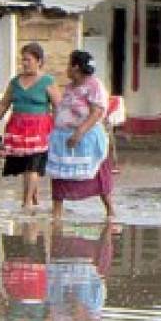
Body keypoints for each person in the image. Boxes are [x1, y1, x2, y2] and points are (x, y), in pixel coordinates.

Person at [0, 43, 61, 209]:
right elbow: (4, 104)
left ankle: (26, 202)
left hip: (39, 129)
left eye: (28, 60)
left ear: (39, 61)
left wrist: (59, 129)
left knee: (33, 165)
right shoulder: (15, 82)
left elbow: (58, 105)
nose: (24, 63)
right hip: (18, 128)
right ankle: (32, 198)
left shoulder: (47, 81)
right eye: (23, 60)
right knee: (25, 165)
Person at [47, 50, 115, 220]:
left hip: (86, 138)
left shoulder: (94, 85)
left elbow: (96, 112)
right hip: (63, 137)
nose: (66, 69)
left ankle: (110, 212)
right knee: (59, 178)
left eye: (68, 65)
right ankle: (56, 214)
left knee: (99, 175)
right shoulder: (70, 87)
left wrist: (79, 133)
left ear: (76, 67)